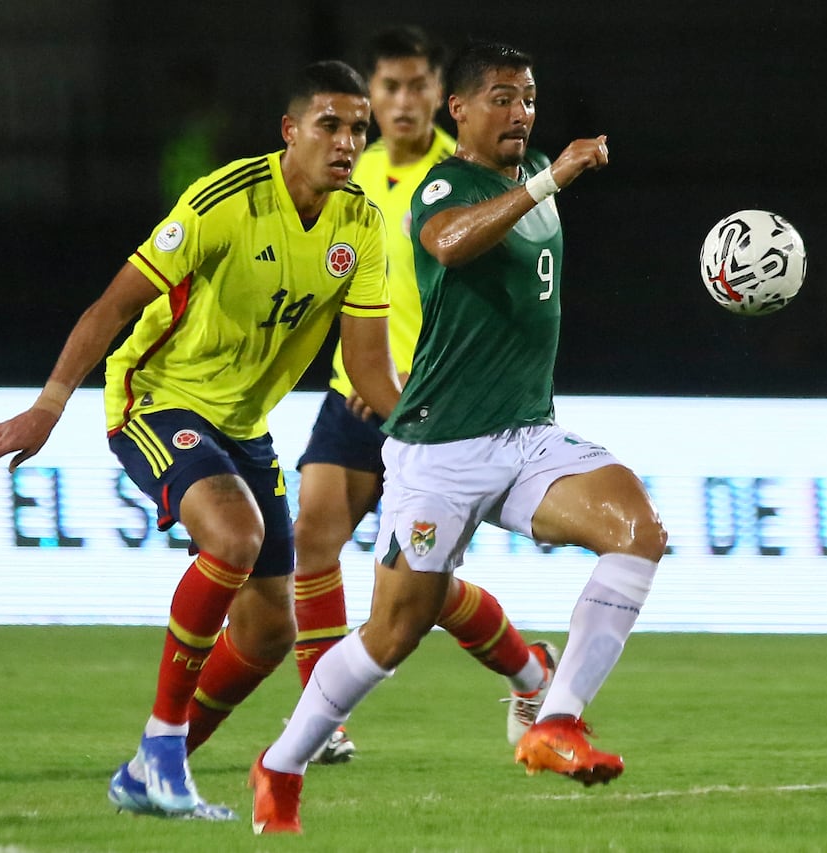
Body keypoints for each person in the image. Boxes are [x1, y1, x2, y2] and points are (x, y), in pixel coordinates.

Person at [249, 41, 668, 835]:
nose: (521, 113)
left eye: (531, 97)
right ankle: (280, 763)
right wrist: (550, 179)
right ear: (462, 112)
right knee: (393, 632)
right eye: (504, 98)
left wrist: (542, 173)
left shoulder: (532, 168)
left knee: (638, 531)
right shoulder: (450, 183)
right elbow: (446, 242)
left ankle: (557, 720)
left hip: (528, 436)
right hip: (442, 447)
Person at [0, 60, 400, 821]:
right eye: (330, 124)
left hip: (243, 426)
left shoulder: (360, 222)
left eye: (358, 128)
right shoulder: (225, 200)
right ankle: (162, 749)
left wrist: (429, 433)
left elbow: (368, 364)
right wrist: (48, 406)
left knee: (269, 631)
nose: (347, 141)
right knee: (235, 534)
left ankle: (150, 771)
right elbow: (110, 307)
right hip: (155, 397)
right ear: (290, 131)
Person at [284, 25, 559, 766]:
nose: (404, 102)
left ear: (445, 96)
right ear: (371, 97)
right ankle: (324, 716)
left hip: (437, 407)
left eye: (417, 86)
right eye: (389, 88)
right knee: (311, 537)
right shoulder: (351, 169)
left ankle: (531, 671)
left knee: (421, 594)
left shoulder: (472, 169)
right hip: (357, 393)